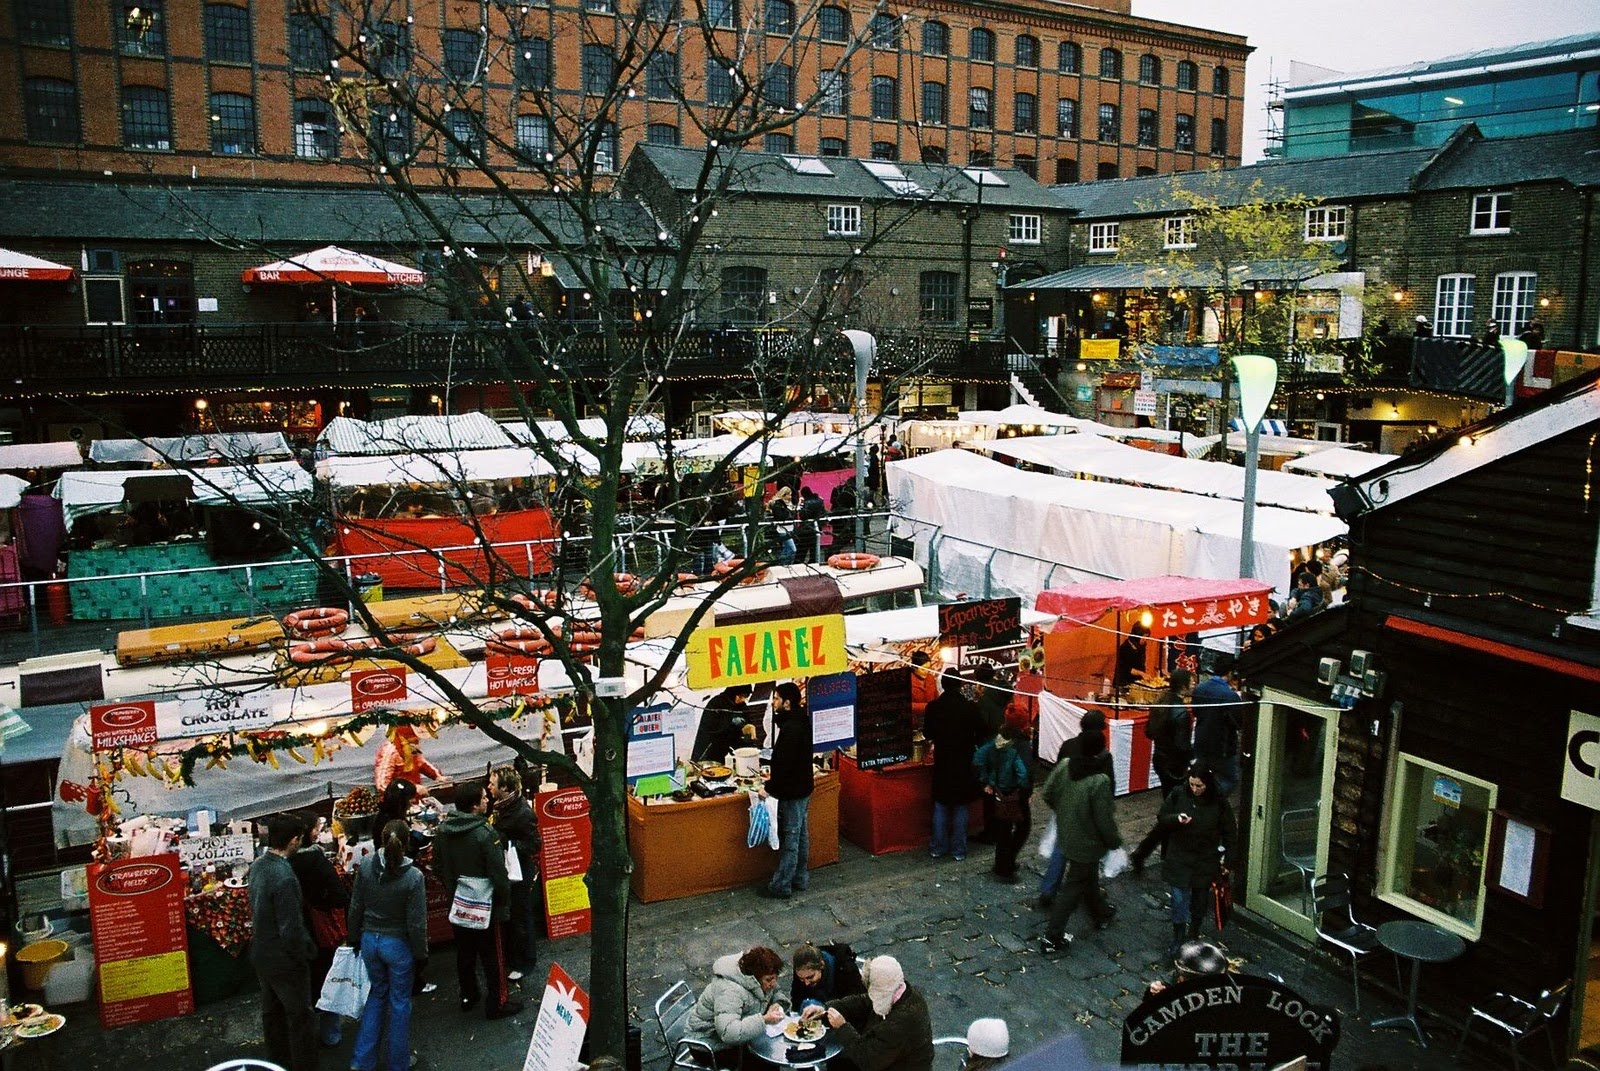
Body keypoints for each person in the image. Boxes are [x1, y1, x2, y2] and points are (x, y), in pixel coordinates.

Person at [432, 780, 522, 1021]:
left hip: (458, 903)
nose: (487, 801)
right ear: (473, 806)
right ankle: (497, 1003)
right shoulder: (485, 834)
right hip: (486, 905)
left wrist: (453, 887)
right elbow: (498, 874)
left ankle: (468, 996)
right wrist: (504, 900)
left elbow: (437, 865)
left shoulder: (443, 832)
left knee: (465, 952)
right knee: (492, 956)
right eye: (483, 798)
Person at [347, 819, 428, 1071]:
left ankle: (362, 1061)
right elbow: (416, 923)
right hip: (397, 946)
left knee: (377, 995)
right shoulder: (414, 877)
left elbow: (356, 906)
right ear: (406, 845)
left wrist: (353, 937)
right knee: (400, 1003)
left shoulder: (367, 866)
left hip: (370, 941)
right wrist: (421, 953)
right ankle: (398, 1062)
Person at [248, 814, 319, 1071]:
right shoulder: (285, 877)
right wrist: (303, 954)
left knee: (272, 1014)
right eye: (299, 839)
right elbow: (291, 929)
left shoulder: (257, 865)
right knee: (300, 1016)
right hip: (284, 960)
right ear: (293, 840)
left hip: (262, 953)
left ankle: (277, 1063)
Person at [1039, 729, 1120, 955]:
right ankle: (1052, 936)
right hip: (1087, 843)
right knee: (1073, 887)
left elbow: (1047, 793)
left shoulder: (1065, 766)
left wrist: (1064, 814)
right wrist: (1114, 841)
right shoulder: (1099, 781)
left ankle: (1100, 912)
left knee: (1088, 878)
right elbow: (1104, 819)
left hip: (1066, 835)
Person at [1154, 764, 1236, 956]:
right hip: (1180, 856)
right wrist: (1176, 819)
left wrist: (1228, 862)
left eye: (1199, 786)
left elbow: (1230, 832)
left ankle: (1193, 934)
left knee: (1199, 900)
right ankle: (1179, 937)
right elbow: (1162, 817)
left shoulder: (1219, 803)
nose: (1195, 789)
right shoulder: (1178, 794)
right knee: (1178, 899)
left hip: (1205, 858)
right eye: (1192, 784)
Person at [1039, 710, 1115, 908]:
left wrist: (1059, 805)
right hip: (1088, 815)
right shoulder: (1103, 757)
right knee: (1087, 857)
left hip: (1064, 808)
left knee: (1060, 847)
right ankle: (1091, 899)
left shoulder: (1068, 746)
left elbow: (1053, 781)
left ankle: (1049, 889)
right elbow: (1108, 790)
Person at [288, 812, 350, 1048]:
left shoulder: (284, 863)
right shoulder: (317, 861)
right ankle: (330, 1033)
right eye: (316, 828)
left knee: (304, 984)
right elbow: (339, 896)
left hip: (296, 930)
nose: (318, 832)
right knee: (326, 979)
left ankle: (304, 1035)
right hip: (320, 930)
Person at [813, 955, 934, 1071]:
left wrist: (842, 1027)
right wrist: (825, 1008)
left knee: (843, 1060)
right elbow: (864, 1002)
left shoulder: (900, 1022)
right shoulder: (897, 990)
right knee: (840, 1061)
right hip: (891, 1059)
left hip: (899, 1066)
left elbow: (868, 1061)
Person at [684, 946, 788, 1064]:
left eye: (775, 978)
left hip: (735, 1037)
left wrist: (777, 1003)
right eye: (769, 980)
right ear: (754, 978)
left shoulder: (762, 978)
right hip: (709, 1045)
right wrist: (763, 1020)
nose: (773, 984)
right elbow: (728, 1033)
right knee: (762, 1061)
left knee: (770, 1052)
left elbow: (776, 992)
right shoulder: (729, 991)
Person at [760, 682, 814, 900]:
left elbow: (784, 765)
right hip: (803, 787)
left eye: (776, 699)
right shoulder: (800, 720)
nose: (774, 703)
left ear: (787, 702)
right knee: (801, 834)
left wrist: (770, 788)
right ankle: (800, 877)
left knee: (791, 838)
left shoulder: (791, 728)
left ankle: (781, 885)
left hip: (792, 790)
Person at [923, 670, 983, 862]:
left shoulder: (933, 707)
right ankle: (959, 850)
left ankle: (938, 848)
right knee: (960, 807)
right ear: (959, 685)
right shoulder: (970, 708)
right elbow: (980, 734)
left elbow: (927, 734)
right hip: (964, 762)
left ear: (943, 684)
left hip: (943, 761)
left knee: (941, 806)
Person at [489, 764, 541, 982]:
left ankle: (524, 961)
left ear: (505, 787)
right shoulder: (500, 806)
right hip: (508, 870)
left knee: (520, 915)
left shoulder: (522, 813)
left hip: (519, 872)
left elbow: (534, 844)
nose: (489, 787)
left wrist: (506, 844)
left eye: (492, 784)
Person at [973, 726, 1032, 884]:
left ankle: (1002, 864)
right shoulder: (1013, 752)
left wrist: (985, 780)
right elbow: (1022, 774)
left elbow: (977, 758)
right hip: (1010, 794)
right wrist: (1023, 789)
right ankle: (1005, 867)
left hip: (995, 792)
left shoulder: (992, 745)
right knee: (1018, 827)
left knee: (1002, 832)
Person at [1191, 666, 1244, 796]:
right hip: (1222, 746)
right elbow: (1238, 723)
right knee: (1229, 778)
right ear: (1230, 673)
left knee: (1203, 774)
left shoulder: (1199, 688)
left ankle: (1204, 798)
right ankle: (1212, 801)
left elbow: (1195, 712)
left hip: (1201, 740)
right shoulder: (1230, 696)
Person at [691, 684, 755, 763]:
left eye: (745, 697)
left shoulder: (742, 706)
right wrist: (740, 731)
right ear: (732, 693)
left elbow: (747, 723)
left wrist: (750, 728)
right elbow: (715, 732)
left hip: (735, 753)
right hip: (712, 753)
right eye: (740, 696)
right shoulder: (716, 704)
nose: (741, 699)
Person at [374, 724, 442, 795]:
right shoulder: (390, 751)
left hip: (413, 799)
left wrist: (437, 776)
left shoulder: (411, 748)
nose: (417, 743)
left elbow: (421, 763)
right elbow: (382, 785)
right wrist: (412, 789)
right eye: (414, 740)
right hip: (397, 802)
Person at [790, 944, 837, 1012]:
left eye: (810, 977)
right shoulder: (802, 972)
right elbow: (796, 1000)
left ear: (822, 965)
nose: (806, 983)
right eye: (801, 979)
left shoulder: (843, 970)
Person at [908, 651, 939, 730]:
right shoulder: (908, 681)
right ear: (914, 667)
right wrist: (927, 707)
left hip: (931, 721)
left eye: (928, 669)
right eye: (923, 669)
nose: (926, 672)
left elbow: (936, 697)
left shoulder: (931, 678)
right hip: (914, 723)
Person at [796, 487, 826, 564]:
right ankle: (813, 563)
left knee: (802, 548)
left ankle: (798, 563)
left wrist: (800, 506)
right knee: (814, 548)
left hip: (807, 528)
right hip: (817, 527)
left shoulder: (807, 503)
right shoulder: (820, 500)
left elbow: (804, 515)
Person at [767, 487, 797, 565]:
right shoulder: (778, 505)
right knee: (792, 549)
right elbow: (781, 516)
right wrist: (789, 510)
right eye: (789, 495)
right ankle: (783, 563)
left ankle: (782, 563)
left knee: (786, 548)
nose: (790, 497)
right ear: (784, 495)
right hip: (783, 529)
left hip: (788, 528)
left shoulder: (784, 505)